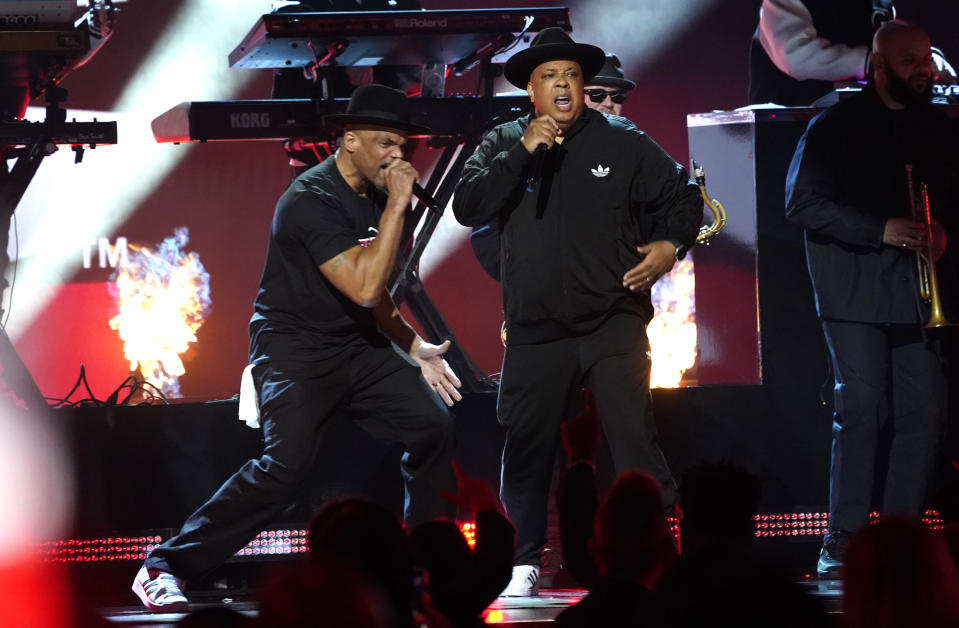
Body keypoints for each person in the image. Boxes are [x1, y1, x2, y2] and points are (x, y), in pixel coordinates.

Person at [131, 84, 462, 612]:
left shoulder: (377, 196)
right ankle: (165, 565)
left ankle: (421, 566)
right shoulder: (309, 201)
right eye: (384, 144)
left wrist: (413, 344)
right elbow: (365, 286)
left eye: (402, 146)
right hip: (294, 347)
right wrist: (400, 204)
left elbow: (372, 295)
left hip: (358, 342)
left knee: (431, 428)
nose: (397, 157)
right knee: (286, 465)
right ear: (349, 141)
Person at [452, 27, 702, 596]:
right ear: (531, 92)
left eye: (570, 75)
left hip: (612, 316)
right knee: (527, 442)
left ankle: (662, 554)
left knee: (634, 436)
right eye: (549, 77)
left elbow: (682, 197)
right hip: (536, 329)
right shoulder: (503, 142)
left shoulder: (621, 141)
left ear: (582, 85)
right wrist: (521, 154)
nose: (562, 85)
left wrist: (667, 246)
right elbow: (468, 208)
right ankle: (523, 560)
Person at [785, 20, 959, 578]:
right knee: (860, 411)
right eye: (912, 61)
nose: (926, 70)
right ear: (879, 67)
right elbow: (802, 205)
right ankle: (845, 539)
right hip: (853, 289)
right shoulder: (834, 126)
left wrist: (943, 233)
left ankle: (902, 540)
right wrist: (879, 228)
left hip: (917, 292)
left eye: (928, 59)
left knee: (923, 415)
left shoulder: (939, 129)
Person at [468, 52, 636, 282]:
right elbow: (484, 228)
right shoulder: (521, 143)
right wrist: (527, 278)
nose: (608, 103)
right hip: (540, 297)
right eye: (597, 94)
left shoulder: (631, 149)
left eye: (618, 97)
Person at [748, 0, 896, 106]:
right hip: (792, 126)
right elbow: (795, 56)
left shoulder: (879, 3)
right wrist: (869, 63)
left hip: (863, 121)